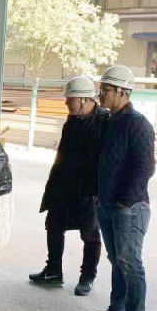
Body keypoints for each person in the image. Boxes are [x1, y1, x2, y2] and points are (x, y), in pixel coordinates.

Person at [85, 65, 155, 311]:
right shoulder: (109, 121)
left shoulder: (138, 124)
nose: (101, 94)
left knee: (130, 265)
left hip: (129, 208)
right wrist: (99, 194)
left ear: (122, 92)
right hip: (106, 203)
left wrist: (125, 200)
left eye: (106, 90)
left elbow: (145, 167)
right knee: (117, 261)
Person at [29, 76, 107, 296]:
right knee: (53, 226)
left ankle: (87, 276)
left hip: (89, 190)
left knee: (90, 234)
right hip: (63, 186)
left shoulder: (104, 123)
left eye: (69, 99)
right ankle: (53, 271)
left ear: (83, 99)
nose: (66, 103)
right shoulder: (72, 121)